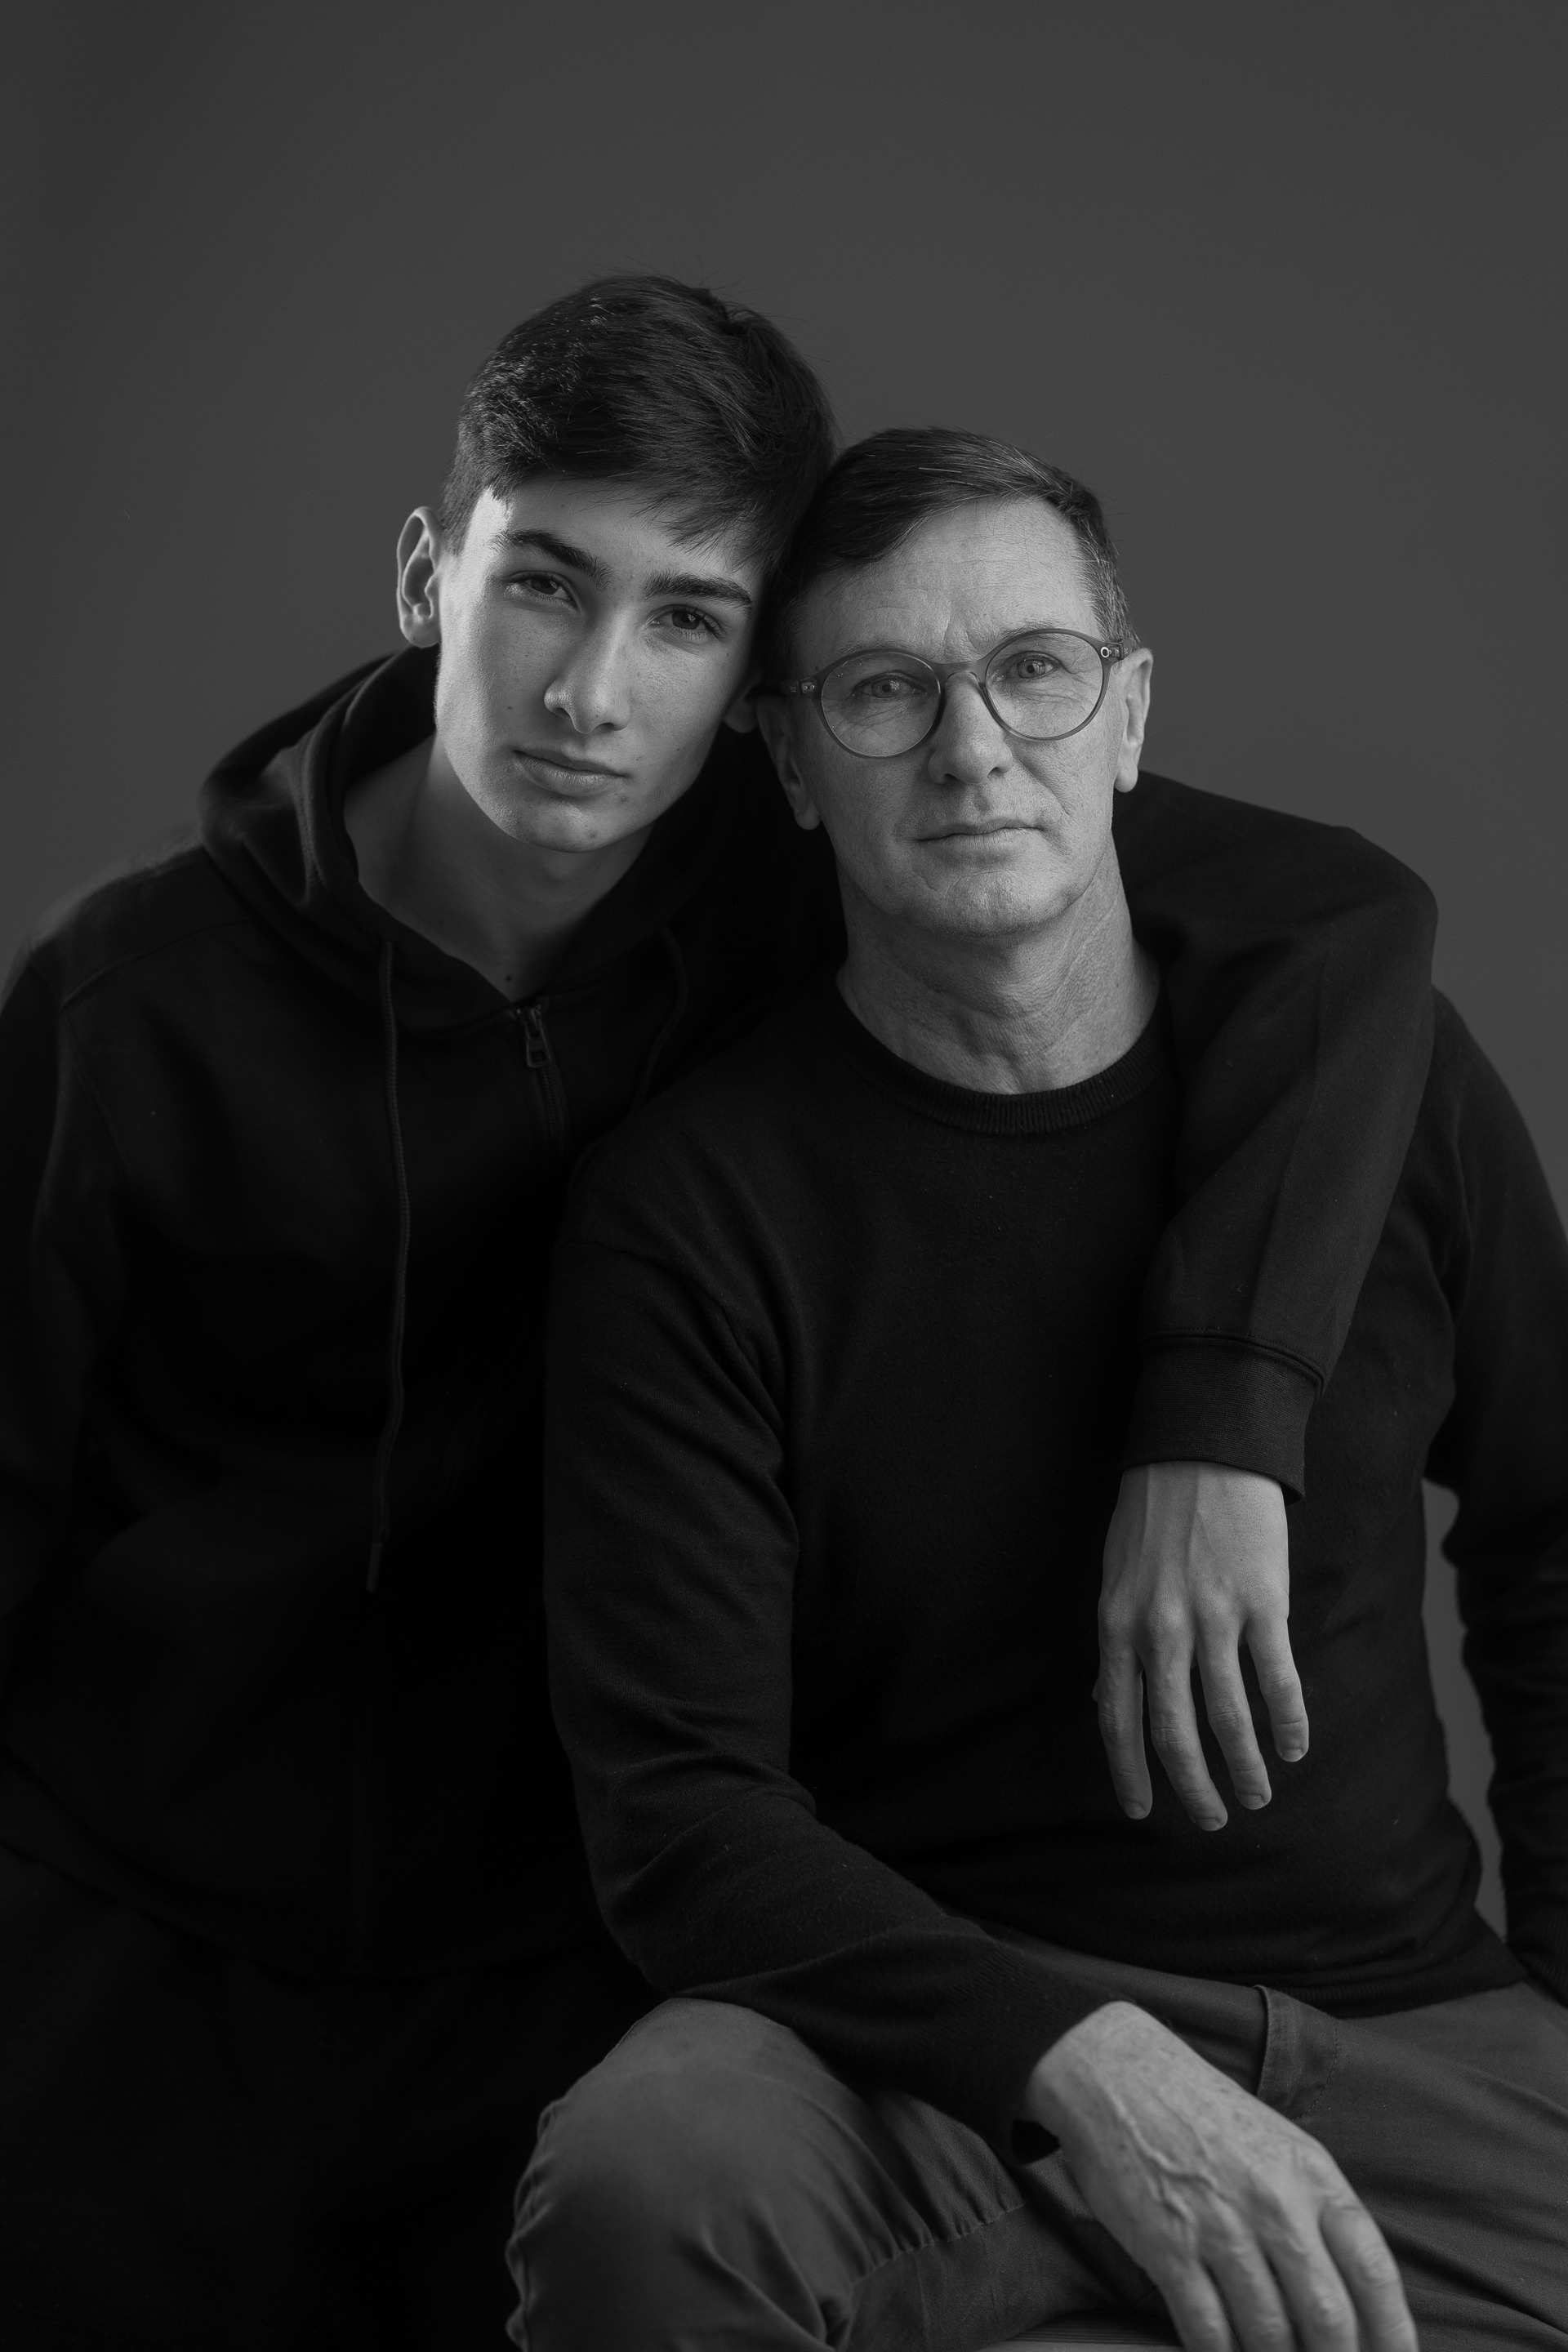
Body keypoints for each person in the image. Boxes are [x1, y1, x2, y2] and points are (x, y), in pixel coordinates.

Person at [0, 283, 1437, 2350]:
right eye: (545, 584)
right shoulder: (127, 999)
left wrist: (1221, 1412)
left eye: (686, 619)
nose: (592, 692)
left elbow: (1342, 912)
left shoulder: (801, 883)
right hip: (131, 1960)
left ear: (755, 687)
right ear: (428, 576)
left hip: (579, 1972)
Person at [522, 430, 1568, 2352]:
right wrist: (1075, 2054)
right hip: (926, 2060)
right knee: (645, 2186)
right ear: (789, 761)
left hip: (1410, 2044)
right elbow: (679, 1812)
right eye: (884, 690)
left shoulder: (1376, 1085)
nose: (973, 749)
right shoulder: (692, 1212)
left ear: (1130, 712)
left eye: (1032, 670)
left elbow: (1559, 1529)